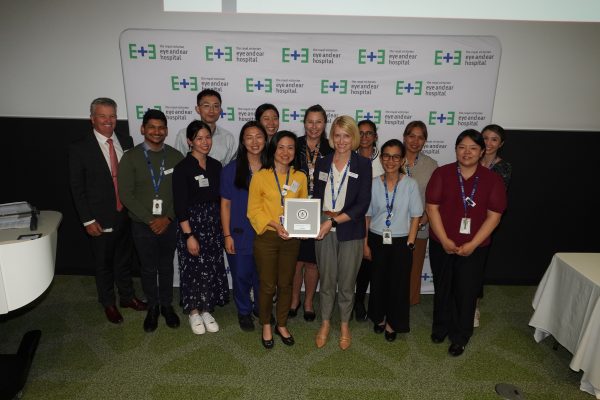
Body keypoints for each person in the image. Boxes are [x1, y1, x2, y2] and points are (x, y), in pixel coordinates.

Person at [426, 129, 507, 357]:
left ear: (482, 151)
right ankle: (440, 328)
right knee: (443, 287)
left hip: (475, 247)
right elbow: (432, 208)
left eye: (473, 148)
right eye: (462, 147)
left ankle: (460, 336)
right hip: (441, 243)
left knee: (466, 291)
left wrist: (472, 244)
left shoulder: (492, 180)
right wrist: (444, 240)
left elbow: (494, 216)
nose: (467, 152)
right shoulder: (442, 174)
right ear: (455, 150)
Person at [69, 97, 147, 324]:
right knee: (103, 263)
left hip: (126, 214)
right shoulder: (79, 147)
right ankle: (108, 303)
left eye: (112, 115)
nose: (108, 120)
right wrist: (87, 220)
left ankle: (127, 297)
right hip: (99, 217)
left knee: (124, 259)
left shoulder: (126, 140)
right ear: (92, 119)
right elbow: (77, 187)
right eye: (102, 116)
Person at [118, 109, 184, 333]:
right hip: (141, 225)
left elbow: (182, 193)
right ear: (143, 129)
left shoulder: (176, 157)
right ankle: (152, 307)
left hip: (169, 223)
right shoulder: (130, 157)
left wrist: (168, 217)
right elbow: (126, 195)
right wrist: (150, 220)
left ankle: (166, 305)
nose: (157, 132)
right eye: (152, 127)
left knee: (166, 266)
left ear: (166, 130)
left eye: (161, 127)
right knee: (148, 268)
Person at [313, 115, 372, 350]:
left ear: (354, 138)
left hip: (350, 228)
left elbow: (362, 204)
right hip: (323, 225)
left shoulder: (363, 165)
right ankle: (326, 322)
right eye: (337, 135)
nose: (341, 141)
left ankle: (345, 324)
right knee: (326, 280)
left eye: (346, 135)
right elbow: (316, 196)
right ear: (331, 137)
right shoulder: (323, 162)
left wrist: (332, 223)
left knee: (347, 282)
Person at [247, 131, 308, 349]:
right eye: (280, 147)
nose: (285, 152)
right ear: (273, 149)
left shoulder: (300, 177)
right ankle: (266, 323)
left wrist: (302, 227)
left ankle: (281, 323)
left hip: (291, 239)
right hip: (267, 237)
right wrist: (276, 225)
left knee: (286, 283)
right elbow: (253, 210)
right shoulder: (260, 176)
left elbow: (303, 208)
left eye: (290, 147)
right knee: (267, 285)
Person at [173, 120, 229, 335]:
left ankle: (207, 308)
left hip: (214, 224)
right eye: (199, 138)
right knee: (193, 268)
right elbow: (180, 205)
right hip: (192, 225)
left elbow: (222, 198)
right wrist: (189, 235)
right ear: (189, 141)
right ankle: (194, 311)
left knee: (211, 267)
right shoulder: (182, 168)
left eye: (208, 138)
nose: (205, 142)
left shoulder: (216, 165)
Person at [365, 139, 422, 341]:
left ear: (402, 160)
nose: (390, 160)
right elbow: (368, 216)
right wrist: (365, 243)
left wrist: (411, 242)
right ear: (381, 159)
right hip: (376, 238)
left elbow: (416, 215)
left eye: (395, 156)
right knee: (378, 281)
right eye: (386, 156)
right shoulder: (372, 183)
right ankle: (379, 317)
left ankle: (393, 322)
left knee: (398, 284)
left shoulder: (410, 184)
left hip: (401, 241)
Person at [220, 121, 268, 331]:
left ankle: (261, 309)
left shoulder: (272, 169)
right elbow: (225, 204)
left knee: (263, 276)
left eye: (259, 136)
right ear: (242, 141)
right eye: (249, 137)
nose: (254, 141)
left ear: (266, 140)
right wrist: (227, 235)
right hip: (239, 232)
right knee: (240, 275)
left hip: (267, 232)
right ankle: (244, 311)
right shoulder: (231, 170)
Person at [290, 104, 333, 322]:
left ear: (324, 124)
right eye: (310, 121)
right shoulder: (293, 145)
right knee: (297, 260)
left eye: (318, 122)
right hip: (296, 208)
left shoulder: (331, 148)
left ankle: (308, 302)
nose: (314, 126)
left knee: (313, 261)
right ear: (304, 122)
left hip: (321, 209)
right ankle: (294, 299)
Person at [474, 124, 512, 327]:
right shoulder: (469, 159)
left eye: (494, 139)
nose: (488, 143)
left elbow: (497, 200)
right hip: (462, 223)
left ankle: (474, 307)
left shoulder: (503, 168)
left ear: (501, 144)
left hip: (485, 224)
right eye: (485, 137)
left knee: (477, 267)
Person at [403, 121, 439, 306]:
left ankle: (407, 304)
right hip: (392, 227)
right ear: (404, 137)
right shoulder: (392, 158)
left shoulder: (432, 165)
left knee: (414, 268)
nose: (415, 141)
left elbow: (433, 199)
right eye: (411, 136)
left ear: (425, 141)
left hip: (419, 226)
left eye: (420, 137)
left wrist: (422, 221)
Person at [353, 119, 384, 321]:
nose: (364, 137)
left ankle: (367, 302)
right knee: (356, 264)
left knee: (370, 263)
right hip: (353, 219)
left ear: (375, 137)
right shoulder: (348, 159)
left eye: (369, 133)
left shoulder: (385, 161)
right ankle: (356, 300)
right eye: (361, 133)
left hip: (377, 221)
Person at [174, 89, 237, 164]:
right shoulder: (183, 135)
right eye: (206, 106)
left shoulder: (228, 137)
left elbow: (230, 168)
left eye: (216, 106)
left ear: (220, 110)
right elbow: (178, 164)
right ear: (198, 109)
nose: (211, 110)